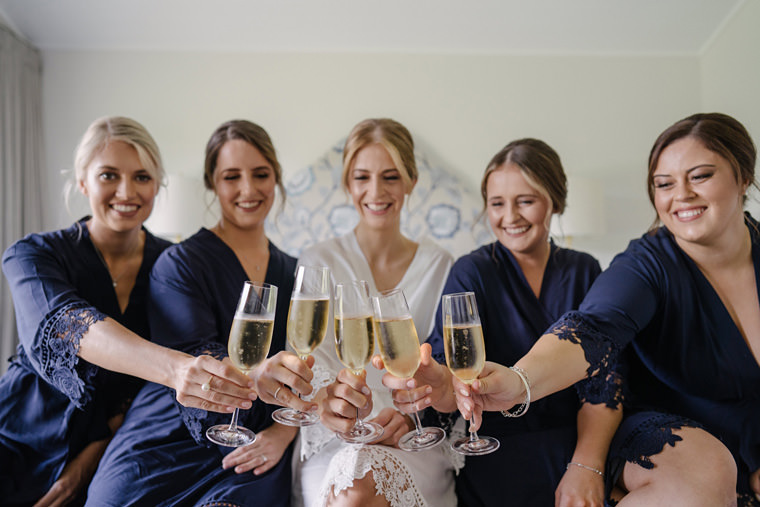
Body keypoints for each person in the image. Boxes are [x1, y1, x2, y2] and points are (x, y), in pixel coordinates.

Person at [452, 113, 759, 507]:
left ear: (743, 176)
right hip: (677, 439)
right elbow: (592, 329)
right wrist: (519, 382)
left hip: (746, 439)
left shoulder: (579, 266)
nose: (680, 194)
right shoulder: (644, 265)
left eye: (699, 176)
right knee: (706, 468)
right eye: (664, 184)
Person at [0, 116, 260, 506]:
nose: (127, 191)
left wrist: (88, 462)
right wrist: (176, 369)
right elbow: (71, 325)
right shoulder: (33, 256)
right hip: (21, 435)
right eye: (108, 175)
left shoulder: (172, 266)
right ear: (83, 181)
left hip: (112, 451)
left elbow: (147, 387)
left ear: (157, 185)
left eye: (142, 177)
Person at [376, 138, 622, 506]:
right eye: (497, 204)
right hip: (497, 452)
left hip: (580, 443)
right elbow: (448, 369)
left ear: (554, 200)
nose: (510, 217)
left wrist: (586, 464)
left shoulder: (584, 269)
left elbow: (607, 378)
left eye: (525, 201)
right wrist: (428, 381)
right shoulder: (472, 271)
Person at [86, 120, 315, 506]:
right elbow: (195, 353)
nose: (248, 189)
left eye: (261, 174)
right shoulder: (180, 264)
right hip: (167, 434)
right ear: (212, 182)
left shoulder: (296, 272)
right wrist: (255, 376)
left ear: (275, 179)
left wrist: (284, 433)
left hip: (253, 442)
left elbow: (313, 364)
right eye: (231, 177)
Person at [292, 118, 456, 507]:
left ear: (411, 181)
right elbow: (307, 367)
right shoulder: (318, 262)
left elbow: (447, 370)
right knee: (349, 492)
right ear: (348, 184)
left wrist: (409, 418)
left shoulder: (442, 266)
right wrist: (341, 410)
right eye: (362, 177)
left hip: (413, 436)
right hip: (334, 436)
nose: (376, 191)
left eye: (391, 177)